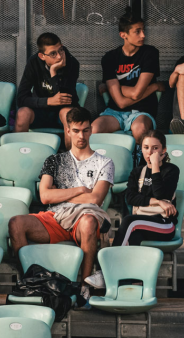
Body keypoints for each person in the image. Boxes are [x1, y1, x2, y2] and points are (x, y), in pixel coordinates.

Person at [8, 108, 113, 284]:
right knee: (16, 223)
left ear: (91, 130)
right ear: (68, 131)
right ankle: (31, 280)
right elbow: (45, 196)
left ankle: (84, 286)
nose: (81, 136)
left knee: (89, 221)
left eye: (85, 130)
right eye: (76, 131)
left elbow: (95, 199)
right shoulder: (54, 160)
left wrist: (60, 194)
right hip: (55, 217)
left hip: (83, 218)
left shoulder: (105, 162)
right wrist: (80, 190)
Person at [93, 11, 160, 143]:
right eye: (137, 31)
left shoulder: (150, 53)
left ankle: (141, 163)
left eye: (143, 30)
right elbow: (121, 102)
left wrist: (114, 86)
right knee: (93, 129)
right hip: (115, 112)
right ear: (123, 35)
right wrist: (154, 87)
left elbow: (137, 93)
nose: (143, 35)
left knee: (139, 128)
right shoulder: (110, 58)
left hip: (142, 111)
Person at [114, 131, 180, 246]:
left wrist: (154, 165)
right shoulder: (137, 172)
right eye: (146, 147)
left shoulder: (171, 170)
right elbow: (130, 198)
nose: (150, 152)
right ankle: (126, 263)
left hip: (164, 224)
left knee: (129, 221)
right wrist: (158, 202)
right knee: (132, 239)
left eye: (155, 148)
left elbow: (161, 194)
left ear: (163, 150)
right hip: (142, 221)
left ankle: (108, 260)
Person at [15, 33, 81, 146]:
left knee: (67, 113)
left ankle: (72, 161)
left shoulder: (71, 63)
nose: (59, 56)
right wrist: (48, 101)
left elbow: (64, 99)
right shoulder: (34, 62)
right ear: (42, 56)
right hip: (40, 112)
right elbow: (21, 98)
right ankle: (17, 156)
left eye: (60, 50)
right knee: (22, 113)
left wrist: (53, 73)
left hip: (62, 114)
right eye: (53, 54)